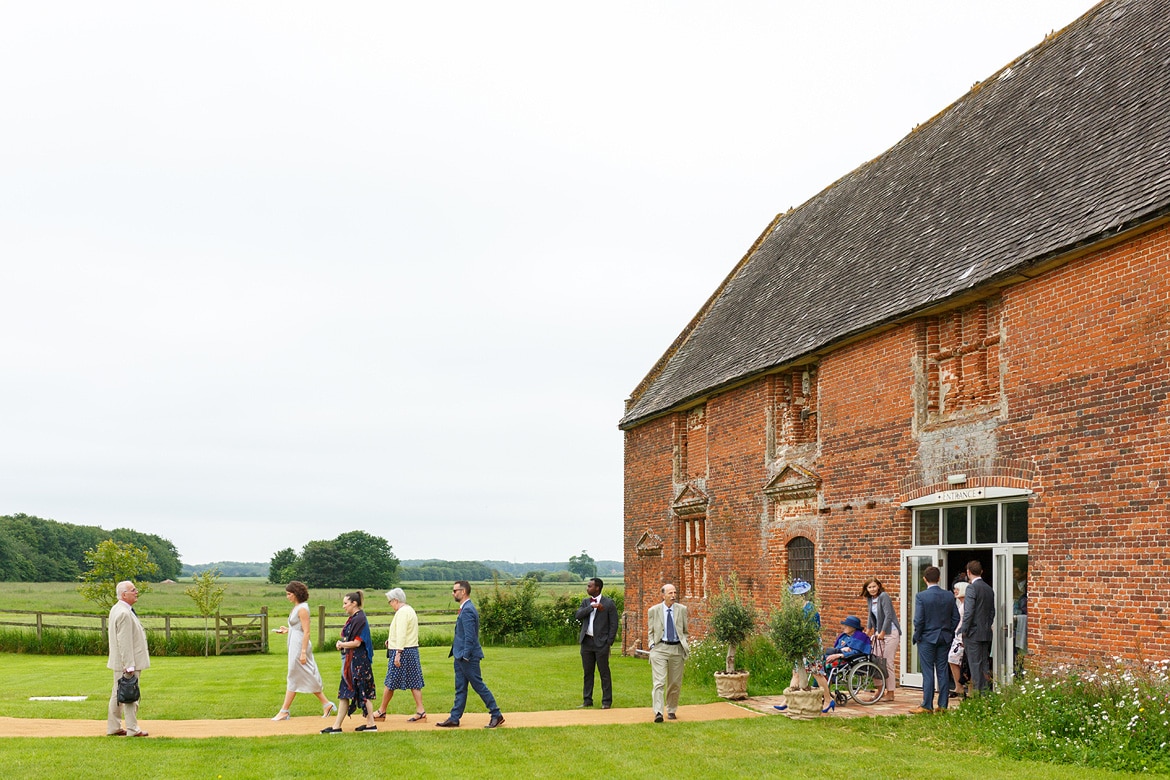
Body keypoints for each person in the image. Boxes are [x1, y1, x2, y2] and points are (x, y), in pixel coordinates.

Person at [437, 581, 505, 728]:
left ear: (463, 592)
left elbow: (470, 636)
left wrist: (466, 656)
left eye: (455, 591)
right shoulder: (465, 608)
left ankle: (496, 714)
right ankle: (454, 718)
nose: (453, 593)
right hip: (460, 656)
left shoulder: (467, 610)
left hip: (467, 657)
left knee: (479, 686)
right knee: (460, 687)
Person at [271, 581, 335, 721]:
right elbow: (297, 628)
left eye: (289, 594)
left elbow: (306, 632)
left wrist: (303, 652)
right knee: (300, 674)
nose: (287, 597)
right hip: (294, 643)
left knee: (294, 674)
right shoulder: (297, 607)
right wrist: (287, 630)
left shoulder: (302, 609)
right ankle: (326, 703)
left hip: (300, 645)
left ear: (296, 594)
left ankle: (284, 711)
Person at [321, 591, 378, 733]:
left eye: (345, 603)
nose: (343, 606)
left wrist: (342, 644)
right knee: (355, 693)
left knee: (352, 692)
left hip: (356, 662)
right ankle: (369, 725)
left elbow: (357, 643)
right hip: (353, 661)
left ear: (354, 603)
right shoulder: (356, 618)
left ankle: (337, 727)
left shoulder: (359, 619)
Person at [372, 587, 426, 723]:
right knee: (415, 681)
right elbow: (405, 632)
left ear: (396, 600)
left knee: (390, 682)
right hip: (411, 650)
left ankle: (381, 711)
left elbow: (402, 633)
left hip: (402, 651)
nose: (390, 604)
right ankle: (420, 711)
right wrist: (391, 640)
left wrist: (397, 653)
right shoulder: (410, 610)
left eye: (390, 602)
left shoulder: (402, 613)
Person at [910, 566, 960, 714]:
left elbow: (919, 620)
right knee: (943, 671)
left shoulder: (921, 596)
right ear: (939, 578)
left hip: (927, 637)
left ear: (924, 579)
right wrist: (948, 632)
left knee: (928, 672)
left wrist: (917, 635)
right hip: (944, 637)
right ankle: (943, 705)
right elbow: (956, 617)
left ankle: (926, 705)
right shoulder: (949, 595)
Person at [107, 580, 150, 737]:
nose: (136, 591)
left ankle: (113, 727)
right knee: (130, 693)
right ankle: (132, 729)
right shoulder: (124, 613)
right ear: (124, 594)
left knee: (117, 694)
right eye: (133, 590)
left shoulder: (117, 609)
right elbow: (124, 641)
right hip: (128, 662)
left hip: (120, 662)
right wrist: (129, 665)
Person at [810, 615, 871, 714]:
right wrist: (838, 652)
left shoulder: (860, 637)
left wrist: (840, 654)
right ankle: (818, 691)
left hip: (849, 660)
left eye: (847, 626)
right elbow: (837, 648)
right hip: (838, 656)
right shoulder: (844, 636)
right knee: (818, 664)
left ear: (853, 627)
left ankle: (820, 692)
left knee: (824, 666)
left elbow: (856, 652)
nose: (844, 627)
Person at [647, 583, 689, 722]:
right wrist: (652, 645)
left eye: (675, 593)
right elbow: (651, 631)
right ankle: (658, 712)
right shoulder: (654, 610)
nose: (673, 596)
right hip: (660, 649)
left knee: (674, 683)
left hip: (676, 649)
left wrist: (684, 644)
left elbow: (685, 631)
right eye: (670, 593)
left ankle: (671, 709)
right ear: (663, 595)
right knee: (659, 682)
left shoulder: (682, 610)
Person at [575, 577, 618, 709]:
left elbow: (614, 624)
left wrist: (608, 642)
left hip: (601, 644)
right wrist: (591, 607)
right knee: (588, 672)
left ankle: (606, 701)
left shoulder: (609, 603)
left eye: (589, 586)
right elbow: (578, 615)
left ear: (597, 588)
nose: (587, 588)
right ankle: (587, 700)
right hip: (587, 642)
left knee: (604, 673)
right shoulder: (586, 602)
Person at [860, 577, 900, 702]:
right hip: (879, 633)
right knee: (875, 662)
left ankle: (891, 692)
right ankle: (880, 690)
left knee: (887, 663)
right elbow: (870, 616)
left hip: (890, 632)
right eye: (869, 587)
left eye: (874, 586)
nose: (872, 589)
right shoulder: (870, 599)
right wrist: (867, 631)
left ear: (878, 586)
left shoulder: (884, 596)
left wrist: (882, 632)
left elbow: (889, 615)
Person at [961, 560, 995, 694]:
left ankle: (977, 696)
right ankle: (985, 693)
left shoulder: (971, 588)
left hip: (973, 633)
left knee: (975, 665)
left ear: (968, 572)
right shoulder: (988, 588)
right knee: (984, 664)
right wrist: (986, 625)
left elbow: (968, 612)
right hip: (985, 632)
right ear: (981, 572)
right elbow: (992, 611)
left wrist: (964, 631)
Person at [947, 580, 970, 698]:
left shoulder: (967, 605)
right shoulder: (959, 603)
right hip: (958, 636)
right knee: (953, 659)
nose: (955, 591)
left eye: (957, 589)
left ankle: (969, 689)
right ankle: (959, 687)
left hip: (962, 637)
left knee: (965, 662)